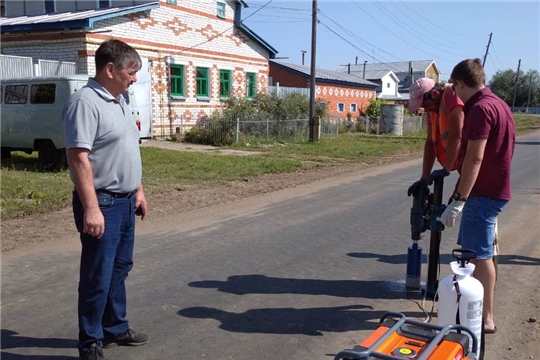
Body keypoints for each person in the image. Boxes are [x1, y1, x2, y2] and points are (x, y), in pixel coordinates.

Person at [63, 39, 149, 360]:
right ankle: (90, 343)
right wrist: (92, 209)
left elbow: (127, 148)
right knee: (97, 274)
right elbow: (78, 159)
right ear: (110, 69)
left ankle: (115, 327)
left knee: (120, 268)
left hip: (125, 202)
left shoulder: (120, 100)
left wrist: (138, 190)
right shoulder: (85, 103)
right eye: (131, 72)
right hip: (103, 205)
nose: (134, 78)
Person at [439, 58, 515, 334]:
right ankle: (476, 310)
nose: (455, 95)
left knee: (479, 257)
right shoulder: (500, 104)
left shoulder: (481, 109)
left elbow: (474, 158)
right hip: (492, 191)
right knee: (474, 256)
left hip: (483, 194)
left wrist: (459, 198)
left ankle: (485, 318)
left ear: (460, 83)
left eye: (455, 89)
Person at [407, 77, 465, 196]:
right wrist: (424, 178)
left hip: (472, 159)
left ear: (434, 94)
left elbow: (456, 135)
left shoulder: (451, 95)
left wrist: (446, 170)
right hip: (461, 163)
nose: (426, 109)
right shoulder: (432, 110)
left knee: (460, 204)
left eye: (425, 104)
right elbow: (430, 143)